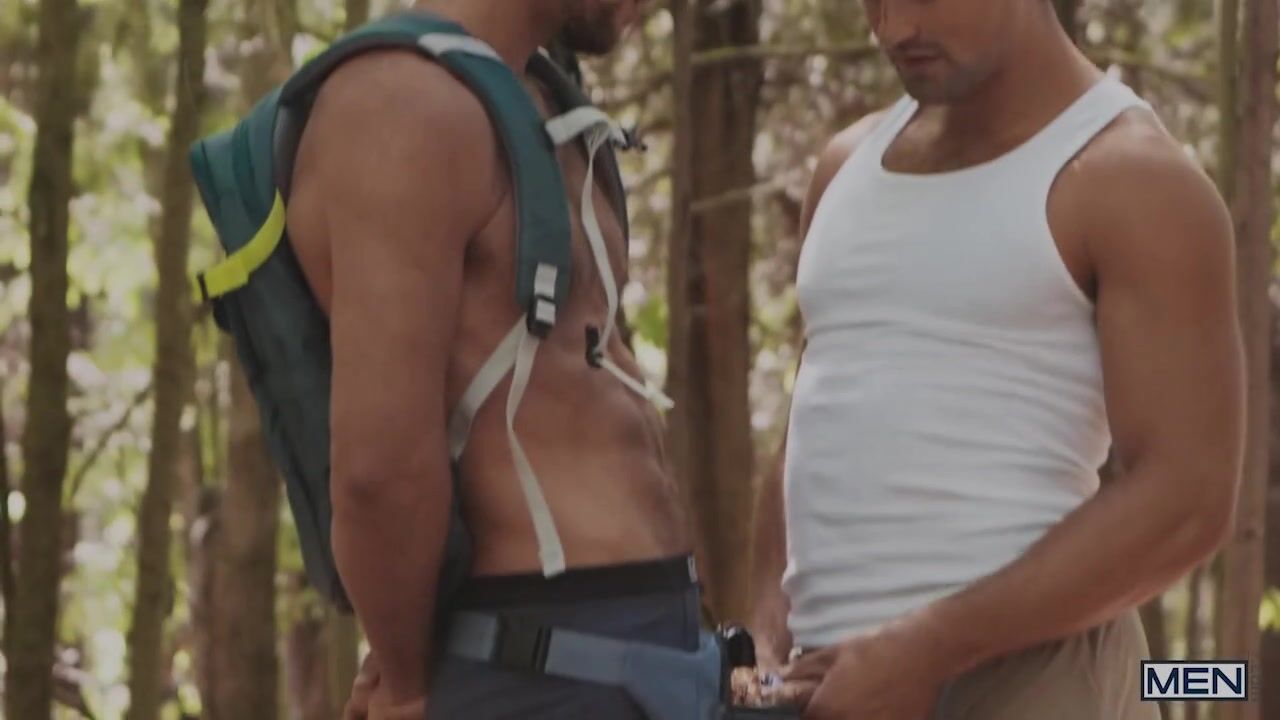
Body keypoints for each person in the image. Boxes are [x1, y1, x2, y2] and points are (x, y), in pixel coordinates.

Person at [749, 1, 1246, 718]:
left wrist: (927, 649)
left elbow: (1188, 499)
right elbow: (813, 420)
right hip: (833, 685)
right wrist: (765, 634)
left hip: (1028, 673)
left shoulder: (1133, 179)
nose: (892, 28)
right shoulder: (844, 167)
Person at [284, 1, 704, 718]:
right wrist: (409, 684)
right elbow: (378, 469)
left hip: (639, 647)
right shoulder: (399, 103)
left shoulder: (536, 99)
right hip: (532, 661)